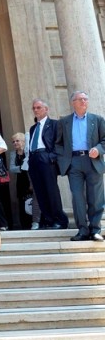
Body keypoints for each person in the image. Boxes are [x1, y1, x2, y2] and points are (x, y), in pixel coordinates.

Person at [55, 91, 105, 242]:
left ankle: (95, 230)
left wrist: (99, 149)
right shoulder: (64, 121)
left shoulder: (97, 120)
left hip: (93, 161)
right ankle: (82, 230)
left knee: (95, 198)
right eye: (80, 99)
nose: (83, 101)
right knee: (77, 197)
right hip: (74, 162)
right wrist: (64, 159)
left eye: (85, 99)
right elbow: (58, 143)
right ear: (73, 103)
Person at [28, 98, 68, 230]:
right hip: (34, 159)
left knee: (51, 190)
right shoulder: (33, 128)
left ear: (46, 109)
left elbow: (61, 143)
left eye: (39, 107)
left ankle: (59, 220)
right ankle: (48, 220)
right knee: (40, 192)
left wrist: (51, 157)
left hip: (46, 158)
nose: (36, 110)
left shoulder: (55, 124)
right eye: (34, 108)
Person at [9, 133, 32, 230]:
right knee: (22, 202)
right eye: (13, 141)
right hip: (21, 181)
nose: (15, 143)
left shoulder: (29, 152)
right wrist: (23, 168)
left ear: (23, 141)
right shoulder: (13, 154)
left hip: (30, 179)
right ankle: (25, 224)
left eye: (17, 141)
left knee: (34, 201)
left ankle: (36, 222)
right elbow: (11, 168)